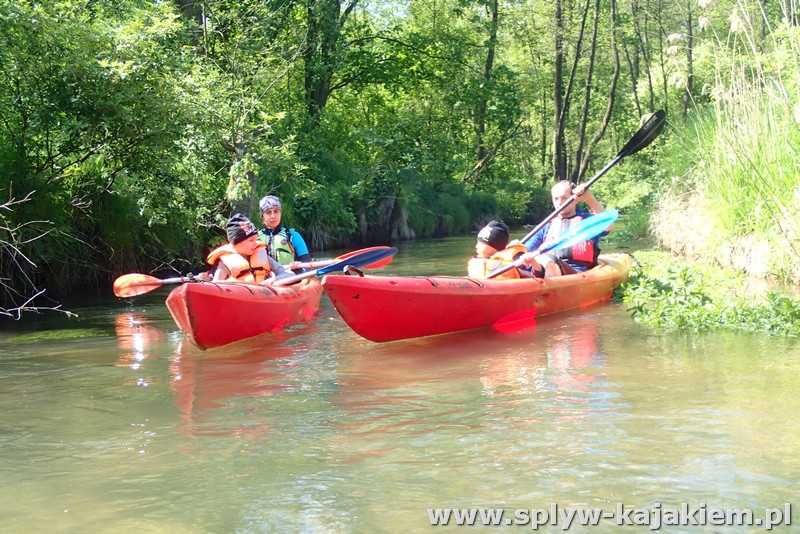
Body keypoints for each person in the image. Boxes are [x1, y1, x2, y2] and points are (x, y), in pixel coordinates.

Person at [519, 180, 609, 278]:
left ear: (575, 199)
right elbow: (524, 250)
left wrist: (589, 198)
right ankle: (538, 270)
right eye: (556, 199)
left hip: (577, 273)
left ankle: (543, 271)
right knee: (519, 264)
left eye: (564, 198)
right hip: (545, 268)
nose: (560, 202)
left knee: (547, 259)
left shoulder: (586, 221)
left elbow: (608, 227)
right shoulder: (547, 225)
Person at [207, 213, 290, 283]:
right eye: (251, 240)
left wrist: (272, 281)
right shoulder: (224, 264)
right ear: (236, 242)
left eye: (256, 239)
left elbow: (286, 274)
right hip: (241, 297)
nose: (255, 243)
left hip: (266, 294)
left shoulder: (261, 254)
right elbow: (216, 285)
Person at [258, 195, 312, 271]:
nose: (273, 216)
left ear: (280, 213)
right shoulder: (256, 238)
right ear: (262, 216)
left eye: (276, 211)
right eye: (268, 212)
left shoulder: (292, 236)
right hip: (265, 279)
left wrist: (299, 266)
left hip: (290, 277)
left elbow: (307, 263)